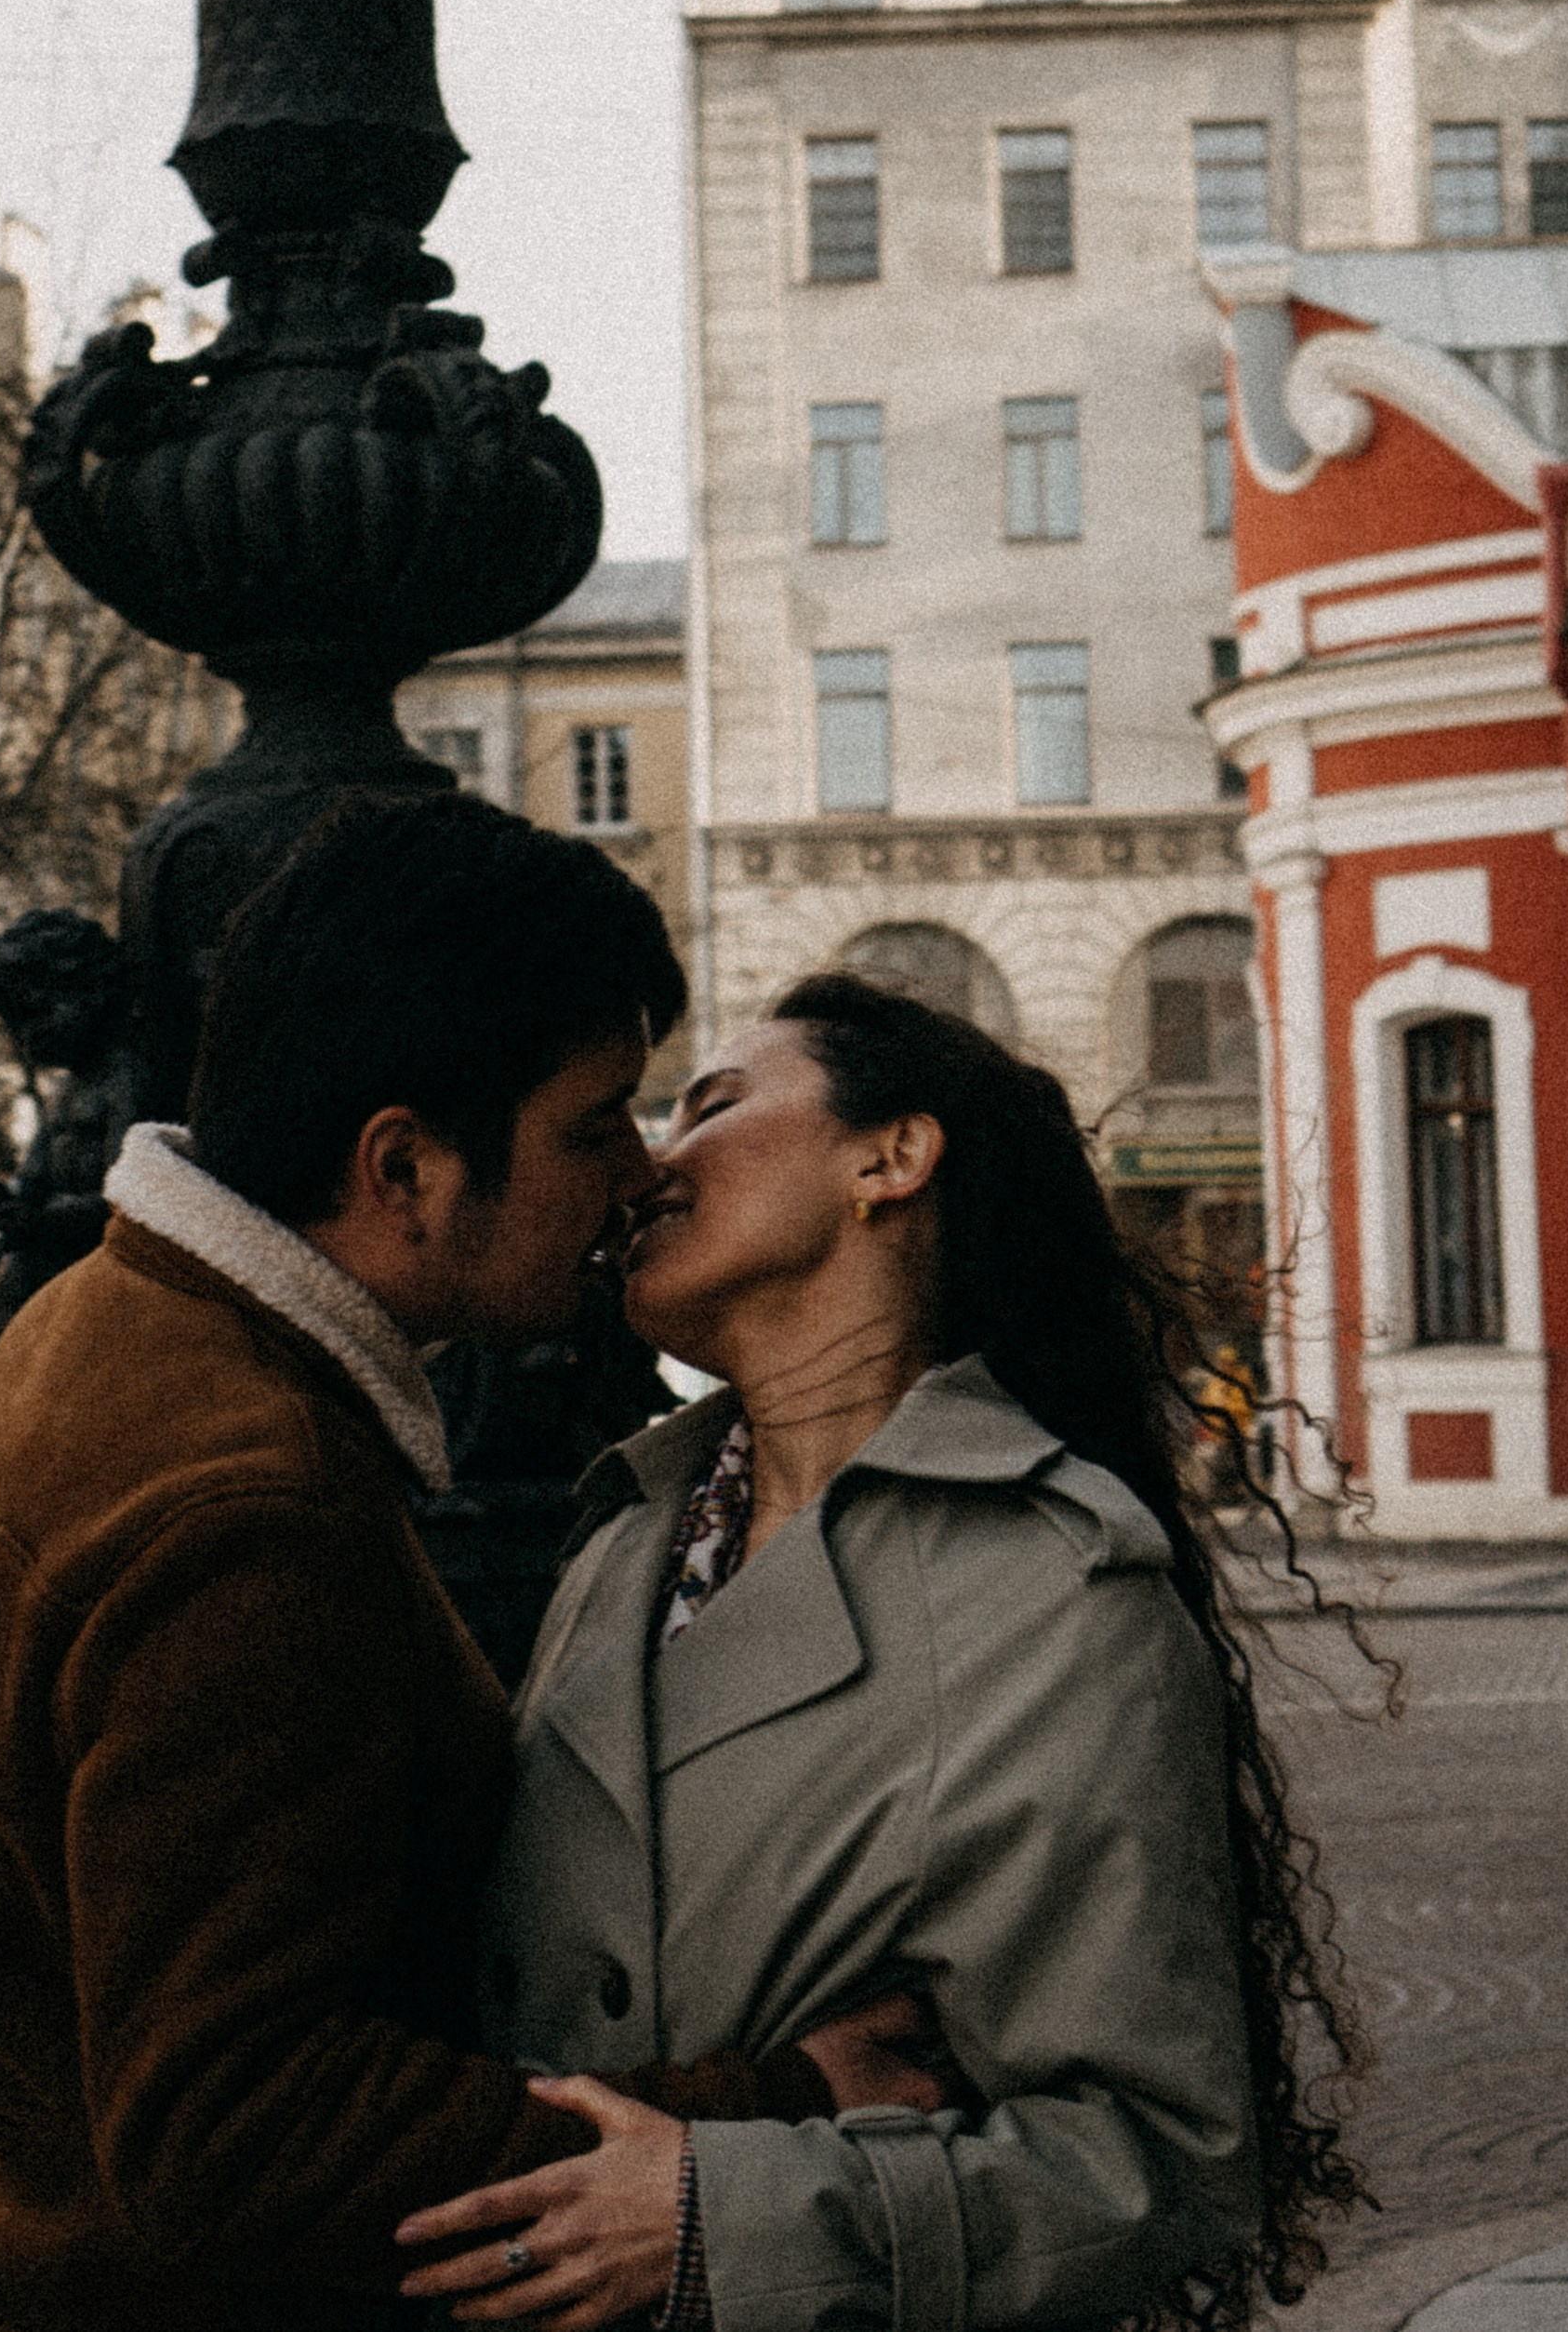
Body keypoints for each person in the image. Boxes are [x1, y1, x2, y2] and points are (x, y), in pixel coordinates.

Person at [0, 802, 935, 2332]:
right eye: (593, 1125)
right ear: (406, 1165)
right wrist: (765, 2106)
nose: (638, 1172)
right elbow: (237, 2124)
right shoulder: (251, 1501)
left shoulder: (108, 1318)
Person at [404, 973, 1361, 2332]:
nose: (652, 1164)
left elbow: (1156, 2159)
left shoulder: (1055, 1585)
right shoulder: (625, 1534)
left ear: (891, 1157)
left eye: (713, 1105)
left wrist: (725, 2213)